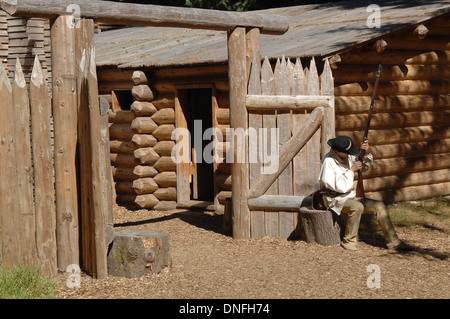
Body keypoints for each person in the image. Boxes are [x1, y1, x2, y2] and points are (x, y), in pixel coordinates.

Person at [318, 135, 407, 251]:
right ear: (338, 153)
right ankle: (349, 241)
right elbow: (338, 187)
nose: (350, 154)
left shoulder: (347, 156)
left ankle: (393, 242)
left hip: (349, 195)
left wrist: (365, 152)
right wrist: (351, 171)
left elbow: (363, 167)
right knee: (357, 206)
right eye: (348, 152)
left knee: (379, 206)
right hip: (334, 198)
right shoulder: (328, 162)